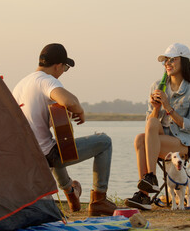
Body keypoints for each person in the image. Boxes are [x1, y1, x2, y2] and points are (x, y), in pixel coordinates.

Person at [12, 43, 117, 216]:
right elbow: (70, 101)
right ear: (57, 65)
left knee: (56, 142)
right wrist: (80, 110)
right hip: (46, 156)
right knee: (104, 141)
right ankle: (99, 200)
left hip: (25, 156)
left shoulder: (21, 84)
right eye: (65, 68)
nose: (63, 72)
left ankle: (70, 192)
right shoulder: (46, 80)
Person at [124, 43, 190, 210]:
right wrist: (156, 108)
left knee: (144, 137)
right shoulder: (157, 86)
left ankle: (148, 185)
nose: (167, 63)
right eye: (165, 61)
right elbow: (150, 124)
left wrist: (168, 107)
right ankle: (148, 183)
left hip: (182, 143)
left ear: (184, 62)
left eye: (172, 60)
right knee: (141, 136)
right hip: (159, 141)